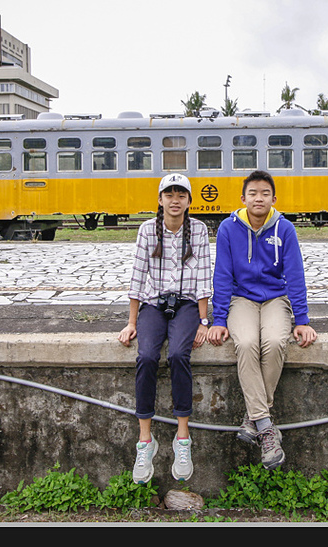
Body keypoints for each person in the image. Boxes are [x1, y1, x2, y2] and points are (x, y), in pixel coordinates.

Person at [207, 170, 317, 469]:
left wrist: (302, 319)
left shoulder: (285, 229)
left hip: (275, 299)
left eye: (265, 193)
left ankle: (253, 418)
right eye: (253, 193)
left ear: (274, 199)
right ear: (243, 199)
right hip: (241, 299)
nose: (259, 198)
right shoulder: (229, 229)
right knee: (244, 342)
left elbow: (295, 275)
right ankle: (267, 427)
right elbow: (223, 275)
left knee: (273, 341)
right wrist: (218, 319)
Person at [118, 173, 212, 484]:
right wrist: (132, 322)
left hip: (185, 305)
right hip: (153, 304)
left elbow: (202, 277)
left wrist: (202, 320)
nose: (175, 200)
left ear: (189, 201)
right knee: (146, 356)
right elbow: (137, 276)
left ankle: (182, 436)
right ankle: (145, 440)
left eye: (181, 195)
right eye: (169, 194)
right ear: (160, 200)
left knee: (178, 356)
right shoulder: (147, 230)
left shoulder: (198, 229)